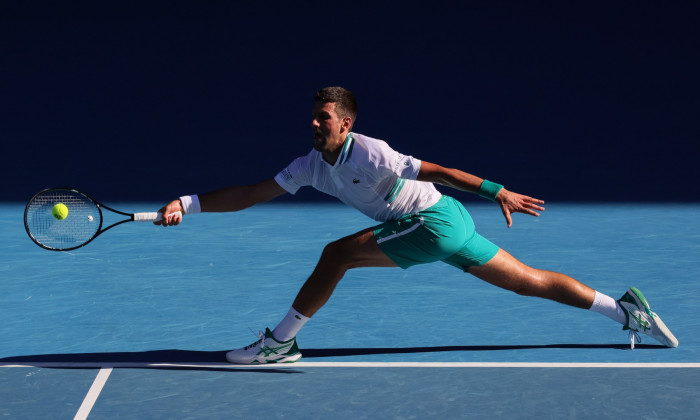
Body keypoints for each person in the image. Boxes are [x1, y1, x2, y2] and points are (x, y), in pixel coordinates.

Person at [156, 87, 678, 364]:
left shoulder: (373, 154)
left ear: (347, 123)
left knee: (337, 255)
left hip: (432, 221)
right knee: (527, 281)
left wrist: (500, 192)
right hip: (439, 227)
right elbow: (253, 193)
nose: (315, 123)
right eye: (313, 116)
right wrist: (187, 201)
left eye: (325, 117)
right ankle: (624, 311)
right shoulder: (310, 166)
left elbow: (443, 172)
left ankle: (282, 343)